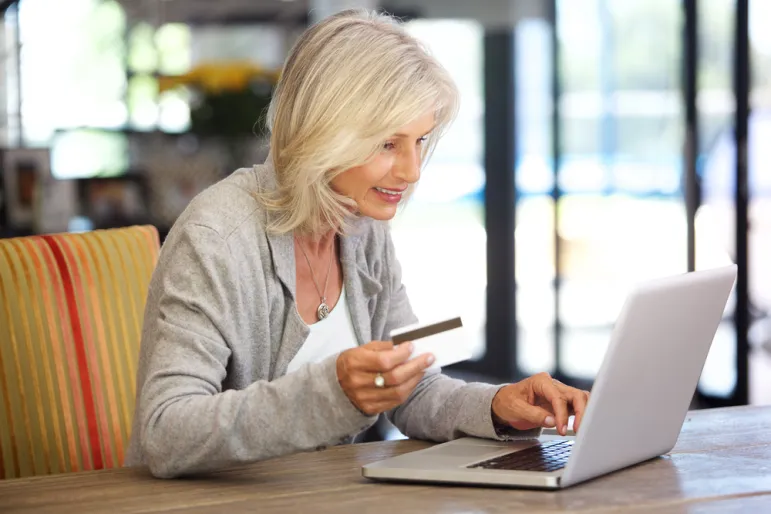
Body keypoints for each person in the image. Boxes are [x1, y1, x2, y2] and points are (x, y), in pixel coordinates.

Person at [125, 9, 590, 479]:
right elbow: (166, 432)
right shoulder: (218, 238)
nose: (412, 172)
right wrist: (332, 393)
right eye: (389, 144)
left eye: (420, 141)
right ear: (324, 131)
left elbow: (415, 390)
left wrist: (498, 405)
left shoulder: (361, 226)